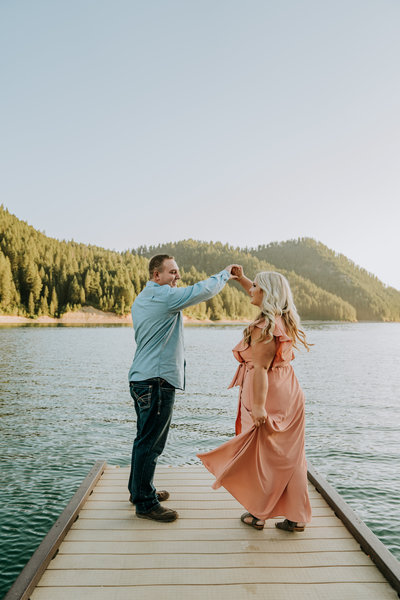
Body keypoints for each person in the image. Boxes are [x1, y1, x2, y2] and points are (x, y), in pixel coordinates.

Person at [198, 268, 312, 531]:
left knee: (260, 456)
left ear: (267, 293)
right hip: (290, 393)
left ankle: (257, 514)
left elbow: (260, 369)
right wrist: (241, 279)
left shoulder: (264, 327)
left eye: (255, 287)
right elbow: (259, 290)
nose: (251, 289)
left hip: (267, 394)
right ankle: (296, 518)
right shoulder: (282, 319)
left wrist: (259, 408)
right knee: (292, 457)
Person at [128, 254, 238, 523]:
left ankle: (139, 490)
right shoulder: (164, 297)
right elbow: (202, 290)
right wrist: (225, 273)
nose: (177, 277)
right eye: (172, 272)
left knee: (143, 438)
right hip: (156, 381)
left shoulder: (144, 298)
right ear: (157, 275)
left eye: (177, 272)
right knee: (151, 443)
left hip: (143, 379)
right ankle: (144, 503)